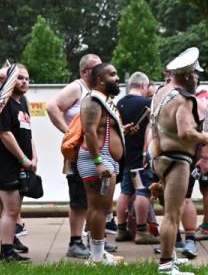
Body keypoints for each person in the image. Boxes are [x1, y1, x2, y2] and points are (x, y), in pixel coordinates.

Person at [148, 48, 208, 275]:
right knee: (173, 214)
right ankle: (166, 264)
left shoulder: (160, 93)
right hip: (177, 159)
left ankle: (170, 253)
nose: (196, 78)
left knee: (170, 211)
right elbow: (185, 132)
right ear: (186, 75)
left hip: (160, 157)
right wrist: (204, 137)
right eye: (195, 74)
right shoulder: (185, 100)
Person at [47, 53, 102, 259]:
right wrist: (70, 133)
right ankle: (75, 241)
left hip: (93, 152)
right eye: (97, 67)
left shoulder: (96, 90)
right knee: (79, 198)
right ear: (86, 71)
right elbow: (52, 106)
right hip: (79, 153)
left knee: (94, 198)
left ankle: (95, 239)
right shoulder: (77, 87)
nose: (101, 70)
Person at [78, 63, 127, 264]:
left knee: (101, 208)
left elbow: (100, 128)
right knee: (98, 208)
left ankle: (97, 253)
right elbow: (89, 131)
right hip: (96, 159)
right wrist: (98, 162)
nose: (116, 78)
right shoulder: (93, 100)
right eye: (112, 74)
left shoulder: (104, 102)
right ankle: (97, 257)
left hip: (104, 159)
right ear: (100, 80)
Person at [0, 64, 37, 262]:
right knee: (10, 209)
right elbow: (5, 133)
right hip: (5, 163)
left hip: (21, 164)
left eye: (26, 78)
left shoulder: (22, 102)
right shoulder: (4, 102)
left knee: (15, 209)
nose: (24, 81)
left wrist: (34, 157)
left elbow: (28, 132)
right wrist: (23, 158)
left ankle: (9, 248)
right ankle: (6, 252)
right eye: (20, 78)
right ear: (10, 81)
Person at [115, 72, 159, 245]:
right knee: (143, 192)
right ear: (143, 85)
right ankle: (141, 230)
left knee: (125, 192)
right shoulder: (148, 103)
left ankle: (120, 229)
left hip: (125, 156)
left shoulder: (119, 103)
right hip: (141, 158)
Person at [193, 86, 208, 241]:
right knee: (206, 187)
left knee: (205, 187)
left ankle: (207, 227)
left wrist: (204, 157)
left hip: (200, 151)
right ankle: (206, 225)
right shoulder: (207, 97)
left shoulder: (198, 99)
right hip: (207, 150)